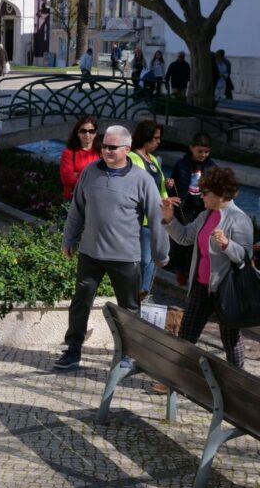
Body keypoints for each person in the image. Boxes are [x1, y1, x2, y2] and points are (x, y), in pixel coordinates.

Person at [55, 125, 169, 370]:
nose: (105, 150)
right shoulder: (90, 172)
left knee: (128, 309)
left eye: (112, 147)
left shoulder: (142, 180)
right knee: (80, 301)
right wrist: (68, 239)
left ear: (126, 149)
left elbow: (156, 219)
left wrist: (161, 253)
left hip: (125, 257)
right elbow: (77, 208)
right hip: (90, 252)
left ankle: (130, 354)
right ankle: (73, 349)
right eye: (104, 146)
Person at [161, 167, 252, 368]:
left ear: (220, 194)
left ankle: (237, 384)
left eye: (205, 193)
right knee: (186, 334)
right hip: (201, 286)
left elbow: (245, 258)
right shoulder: (206, 215)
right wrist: (168, 218)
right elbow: (184, 237)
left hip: (226, 291)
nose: (200, 196)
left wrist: (227, 244)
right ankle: (176, 378)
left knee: (230, 340)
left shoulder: (239, 219)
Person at [165, 132, 217, 286]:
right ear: (191, 148)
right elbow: (173, 186)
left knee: (198, 240)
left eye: (206, 152)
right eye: (200, 151)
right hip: (184, 207)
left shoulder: (211, 166)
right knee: (181, 239)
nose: (203, 155)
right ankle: (180, 269)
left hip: (203, 208)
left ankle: (193, 269)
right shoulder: (182, 164)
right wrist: (169, 187)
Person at [129, 120, 167, 300]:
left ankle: (144, 291)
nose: (158, 142)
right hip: (141, 217)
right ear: (146, 138)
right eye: (155, 138)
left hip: (157, 216)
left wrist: (167, 201)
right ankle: (140, 291)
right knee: (144, 258)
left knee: (153, 257)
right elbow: (136, 187)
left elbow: (160, 187)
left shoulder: (153, 160)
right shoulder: (133, 157)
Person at [59, 115, 101, 201]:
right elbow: (67, 179)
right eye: (83, 131)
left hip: (95, 198)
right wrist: (93, 183)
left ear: (95, 133)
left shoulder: (101, 152)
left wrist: (78, 174)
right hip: (74, 198)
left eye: (91, 131)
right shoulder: (69, 152)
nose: (87, 134)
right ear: (77, 133)